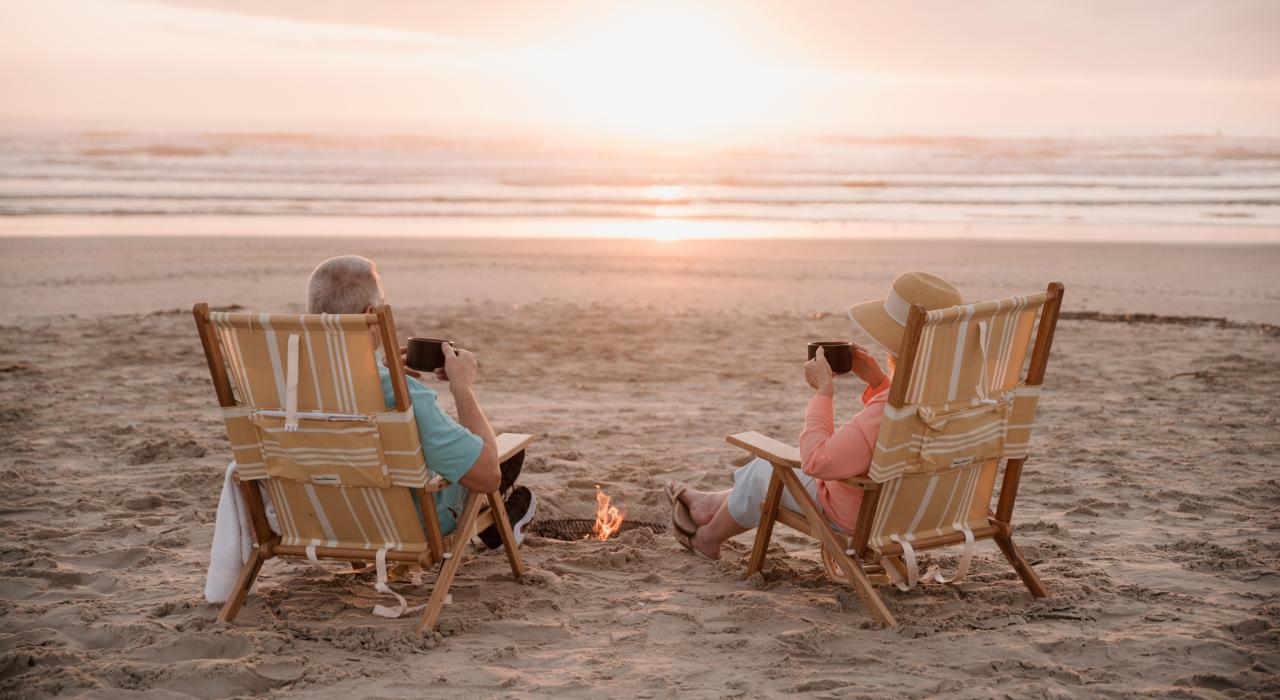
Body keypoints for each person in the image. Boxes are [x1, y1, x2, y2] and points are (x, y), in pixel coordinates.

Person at [666, 272, 963, 560]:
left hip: (865, 518)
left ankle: (706, 539)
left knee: (765, 470)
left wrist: (824, 392)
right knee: (773, 472)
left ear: (893, 344)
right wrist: (879, 383)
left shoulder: (891, 410)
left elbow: (817, 461)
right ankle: (707, 506)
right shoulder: (963, 399)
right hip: (924, 515)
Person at [306, 255, 535, 548]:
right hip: (399, 527)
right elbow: (487, 476)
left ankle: (498, 525)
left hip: (316, 520)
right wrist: (462, 388)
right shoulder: (399, 392)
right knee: (504, 452)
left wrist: (374, 370)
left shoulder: (279, 382)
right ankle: (498, 523)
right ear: (370, 313)